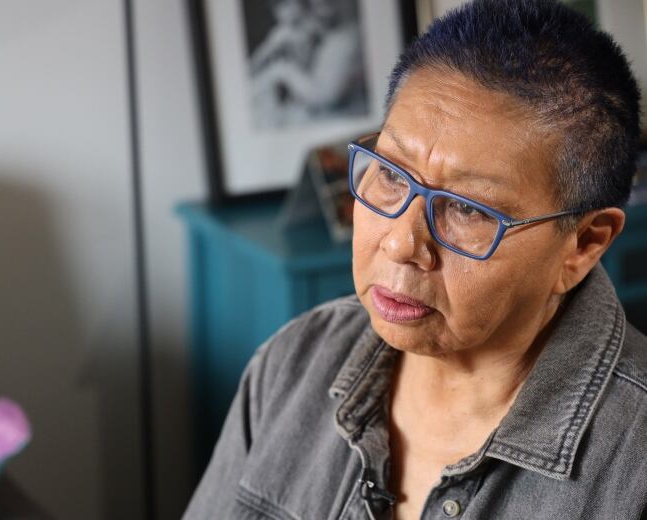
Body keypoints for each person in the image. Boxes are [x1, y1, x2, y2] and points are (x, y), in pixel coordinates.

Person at [183, 0, 646, 518]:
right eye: (390, 174)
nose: (402, 244)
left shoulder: (634, 465)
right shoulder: (292, 365)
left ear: (583, 244)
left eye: (468, 210)